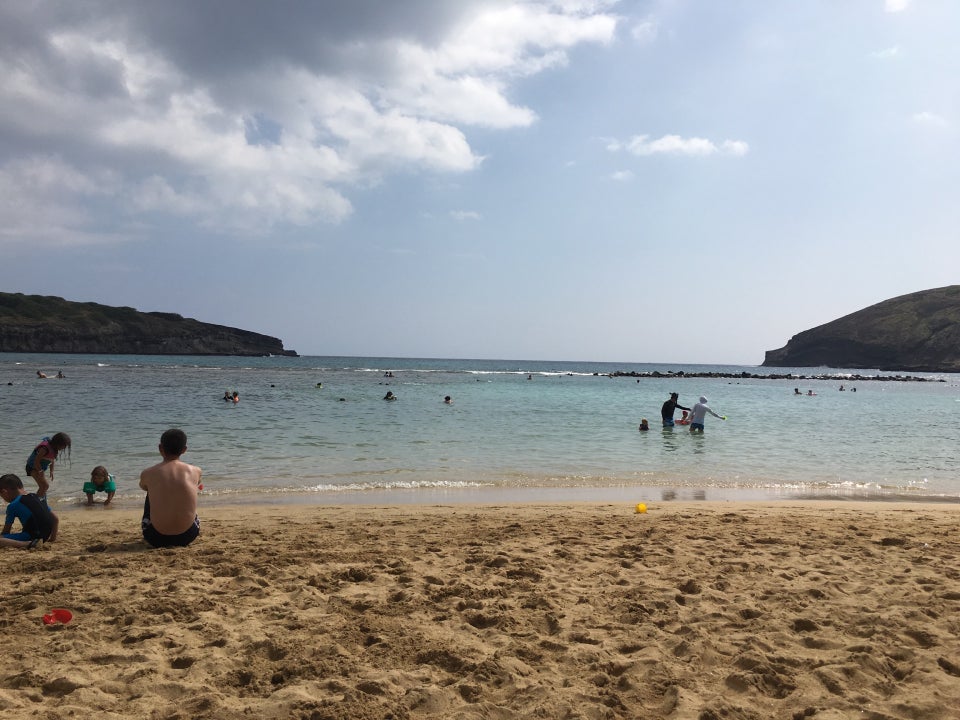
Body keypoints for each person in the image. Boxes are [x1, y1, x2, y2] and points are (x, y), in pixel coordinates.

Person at [138, 428, 202, 548]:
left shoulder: (148, 473)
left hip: (155, 537)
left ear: (160, 448)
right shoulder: (195, 471)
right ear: (184, 450)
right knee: (188, 488)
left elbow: (143, 487)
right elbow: (198, 483)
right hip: (187, 535)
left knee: (150, 490)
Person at [0, 473, 58, 548]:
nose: (3, 499)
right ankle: (34, 542)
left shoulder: (13, 505)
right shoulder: (37, 497)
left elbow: (6, 531)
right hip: (46, 535)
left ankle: (29, 544)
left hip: (33, 536)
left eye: (1, 496)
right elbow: (55, 519)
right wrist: (52, 538)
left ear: (4, 492)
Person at [26, 432, 71, 499]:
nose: (64, 448)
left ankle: (40, 500)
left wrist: (51, 471)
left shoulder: (54, 449)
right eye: (63, 445)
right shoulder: (44, 448)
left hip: (39, 468)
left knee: (44, 486)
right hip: (32, 467)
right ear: (57, 443)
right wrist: (40, 471)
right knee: (45, 486)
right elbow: (36, 461)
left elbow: (51, 460)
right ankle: (36, 501)